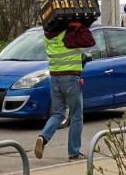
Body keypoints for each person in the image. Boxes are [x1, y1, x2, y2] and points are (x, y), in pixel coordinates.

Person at [35, 21, 94, 161]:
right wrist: (79, 26)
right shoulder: (69, 35)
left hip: (54, 79)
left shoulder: (48, 36)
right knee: (76, 116)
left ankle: (42, 137)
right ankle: (74, 153)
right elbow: (90, 40)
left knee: (58, 113)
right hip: (70, 78)